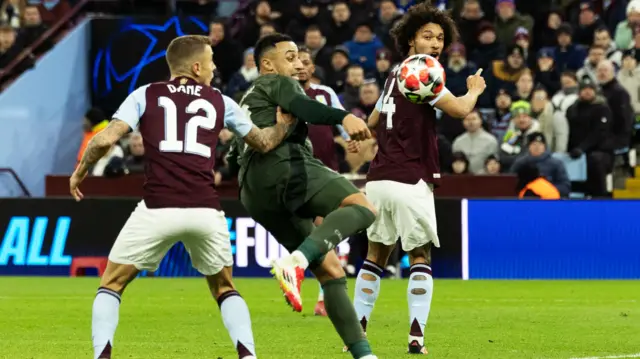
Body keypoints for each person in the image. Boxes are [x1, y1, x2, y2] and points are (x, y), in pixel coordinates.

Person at [69, 35, 296, 359]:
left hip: (157, 208)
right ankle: (248, 356)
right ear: (195, 66)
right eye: (211, 60)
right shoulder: (220, 100)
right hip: (205, 209)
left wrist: (81, 171)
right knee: (225, 288)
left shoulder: (145, 94)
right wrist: (283, 126)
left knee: (111, 284)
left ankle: (102, 356)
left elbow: (105, 140)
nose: (215, 67)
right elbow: (262, 142)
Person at [234, 33, 378, 359]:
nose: (298, 63)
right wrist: (344, 116)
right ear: (267, 64)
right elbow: (304, 107)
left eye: (300, 57)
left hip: (253, 193)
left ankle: (364, 355)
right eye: (290, 57)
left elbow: (232, 155)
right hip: (285, 168)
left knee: (331, 271)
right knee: (363, 206)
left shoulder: (246, 100)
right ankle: (294, 262)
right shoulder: (277, 83)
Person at [353, 3, 486, 355]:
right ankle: (416, 337)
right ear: (410, 39)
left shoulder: (393, 74)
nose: (436, 43)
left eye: (441, 38)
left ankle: (357, 332)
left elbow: (373, 121)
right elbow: (460, 109)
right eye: (428, 36)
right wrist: (473, 89)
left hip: (379, 178)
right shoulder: (423, 71)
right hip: (411, 177)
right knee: (420, 254)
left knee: (375, 255)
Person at [298, 45, 351, 317]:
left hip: (323, 173)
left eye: (306, 62)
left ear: (312, 66)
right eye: (296, 61)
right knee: (301, 236)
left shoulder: (325, 94)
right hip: (292, 174)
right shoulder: (283, 95)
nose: (301, 66)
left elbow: (343, 122)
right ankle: (296, 277)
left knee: (324, 232)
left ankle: (323, 296)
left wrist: (351, 141)